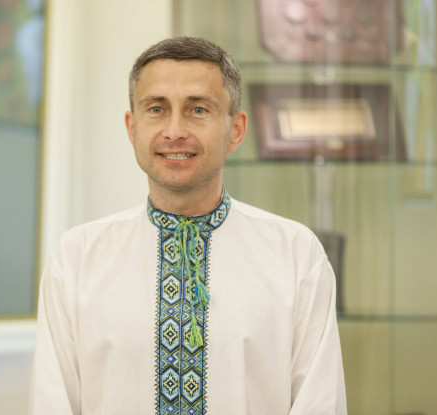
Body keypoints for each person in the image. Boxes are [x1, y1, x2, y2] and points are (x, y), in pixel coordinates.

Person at [30, 36, 347, 414]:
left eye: (198, 109)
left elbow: (319, 403)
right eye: (156, 109)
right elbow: (52, 403)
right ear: (132, 128)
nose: (174, 130)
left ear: (236, 130)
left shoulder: (295, 254)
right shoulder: (78, 257)